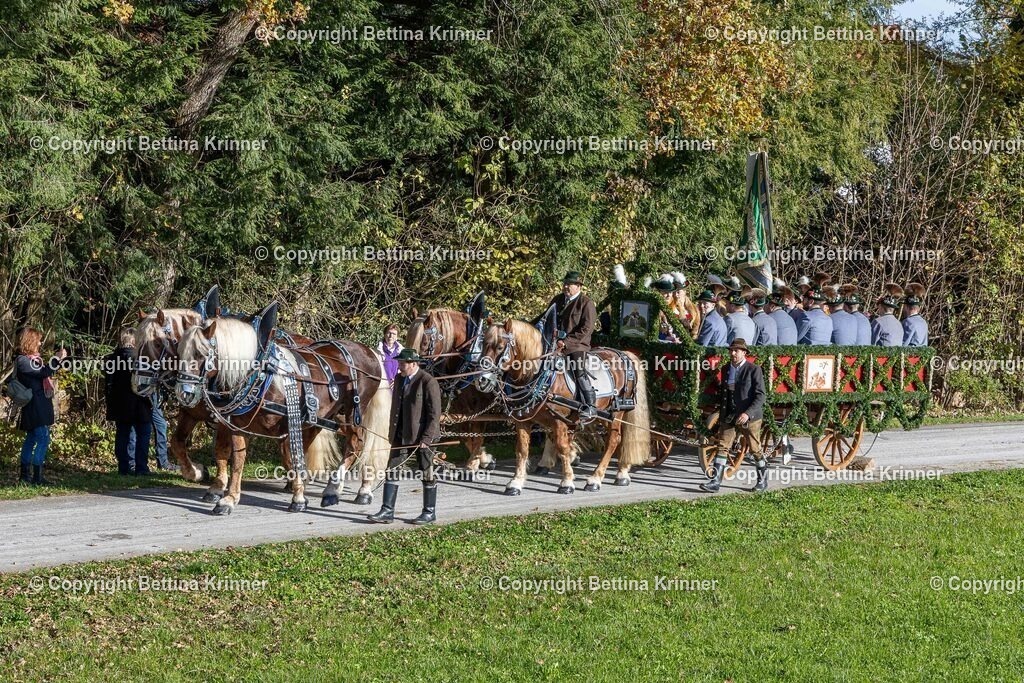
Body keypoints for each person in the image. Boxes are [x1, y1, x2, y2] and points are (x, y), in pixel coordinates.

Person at [368, 348, 442, 525]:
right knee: (392, 469)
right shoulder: (400, 379)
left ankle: (429, 512)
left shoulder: (428, 382)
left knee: (427, 472)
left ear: (414, 364)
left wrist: (426, 439)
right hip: (400, 435)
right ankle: (387, 511)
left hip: (423, 438)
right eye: (399, 363)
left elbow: (434, 414)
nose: (399, 366)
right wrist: (392, 433)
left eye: (403, 363)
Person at [700, 338, 768, 493]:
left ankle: (762, 481)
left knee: (755, 448)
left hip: (749, 416)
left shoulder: (753, 369)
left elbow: (761, 396)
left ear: (744, 353)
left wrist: (747, 413)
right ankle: (715, 481)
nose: (733, 353)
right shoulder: (726, 369)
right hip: (729, 414)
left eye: (736, 350)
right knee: (722, 446)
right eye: (731, 350)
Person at [13, 328, 67, 485]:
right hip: (34, 407)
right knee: (43, 438)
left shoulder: (31, 360)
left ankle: (26, 476)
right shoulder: (23, 361)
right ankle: (36, 477)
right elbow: (44, 372)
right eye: (38, 339)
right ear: (30, 341)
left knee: (31, 439)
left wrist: (57, 360)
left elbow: (45, 371)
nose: (40, 342)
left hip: (38, 405)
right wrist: (57, 359)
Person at [546, 271, 598, 420]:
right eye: (565, 283)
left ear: (578, 286)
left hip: (577, 346)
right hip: (553, 343)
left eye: (569, 284)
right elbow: (546, 317)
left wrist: (566, 342)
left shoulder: (586, 303)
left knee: (578, 369)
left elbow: (586, 329)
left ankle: (590, 405)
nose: (566, 286)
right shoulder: (558, 300)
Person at [104, 328, 153, 475]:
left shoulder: (111, 359)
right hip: (140, 404)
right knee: (143, 436)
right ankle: (141, 468)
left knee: (122, 435)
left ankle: (123, 467)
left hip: (120, 404)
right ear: (134, 341)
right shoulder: (141, 359)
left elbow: (108, 384)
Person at [796, 278, 833, 345]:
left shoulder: (806, 315)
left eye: (805, 298)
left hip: (807, 354)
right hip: (827, 354)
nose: (802, 301)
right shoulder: (829, 319)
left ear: (811, 302)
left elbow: (795, 338)